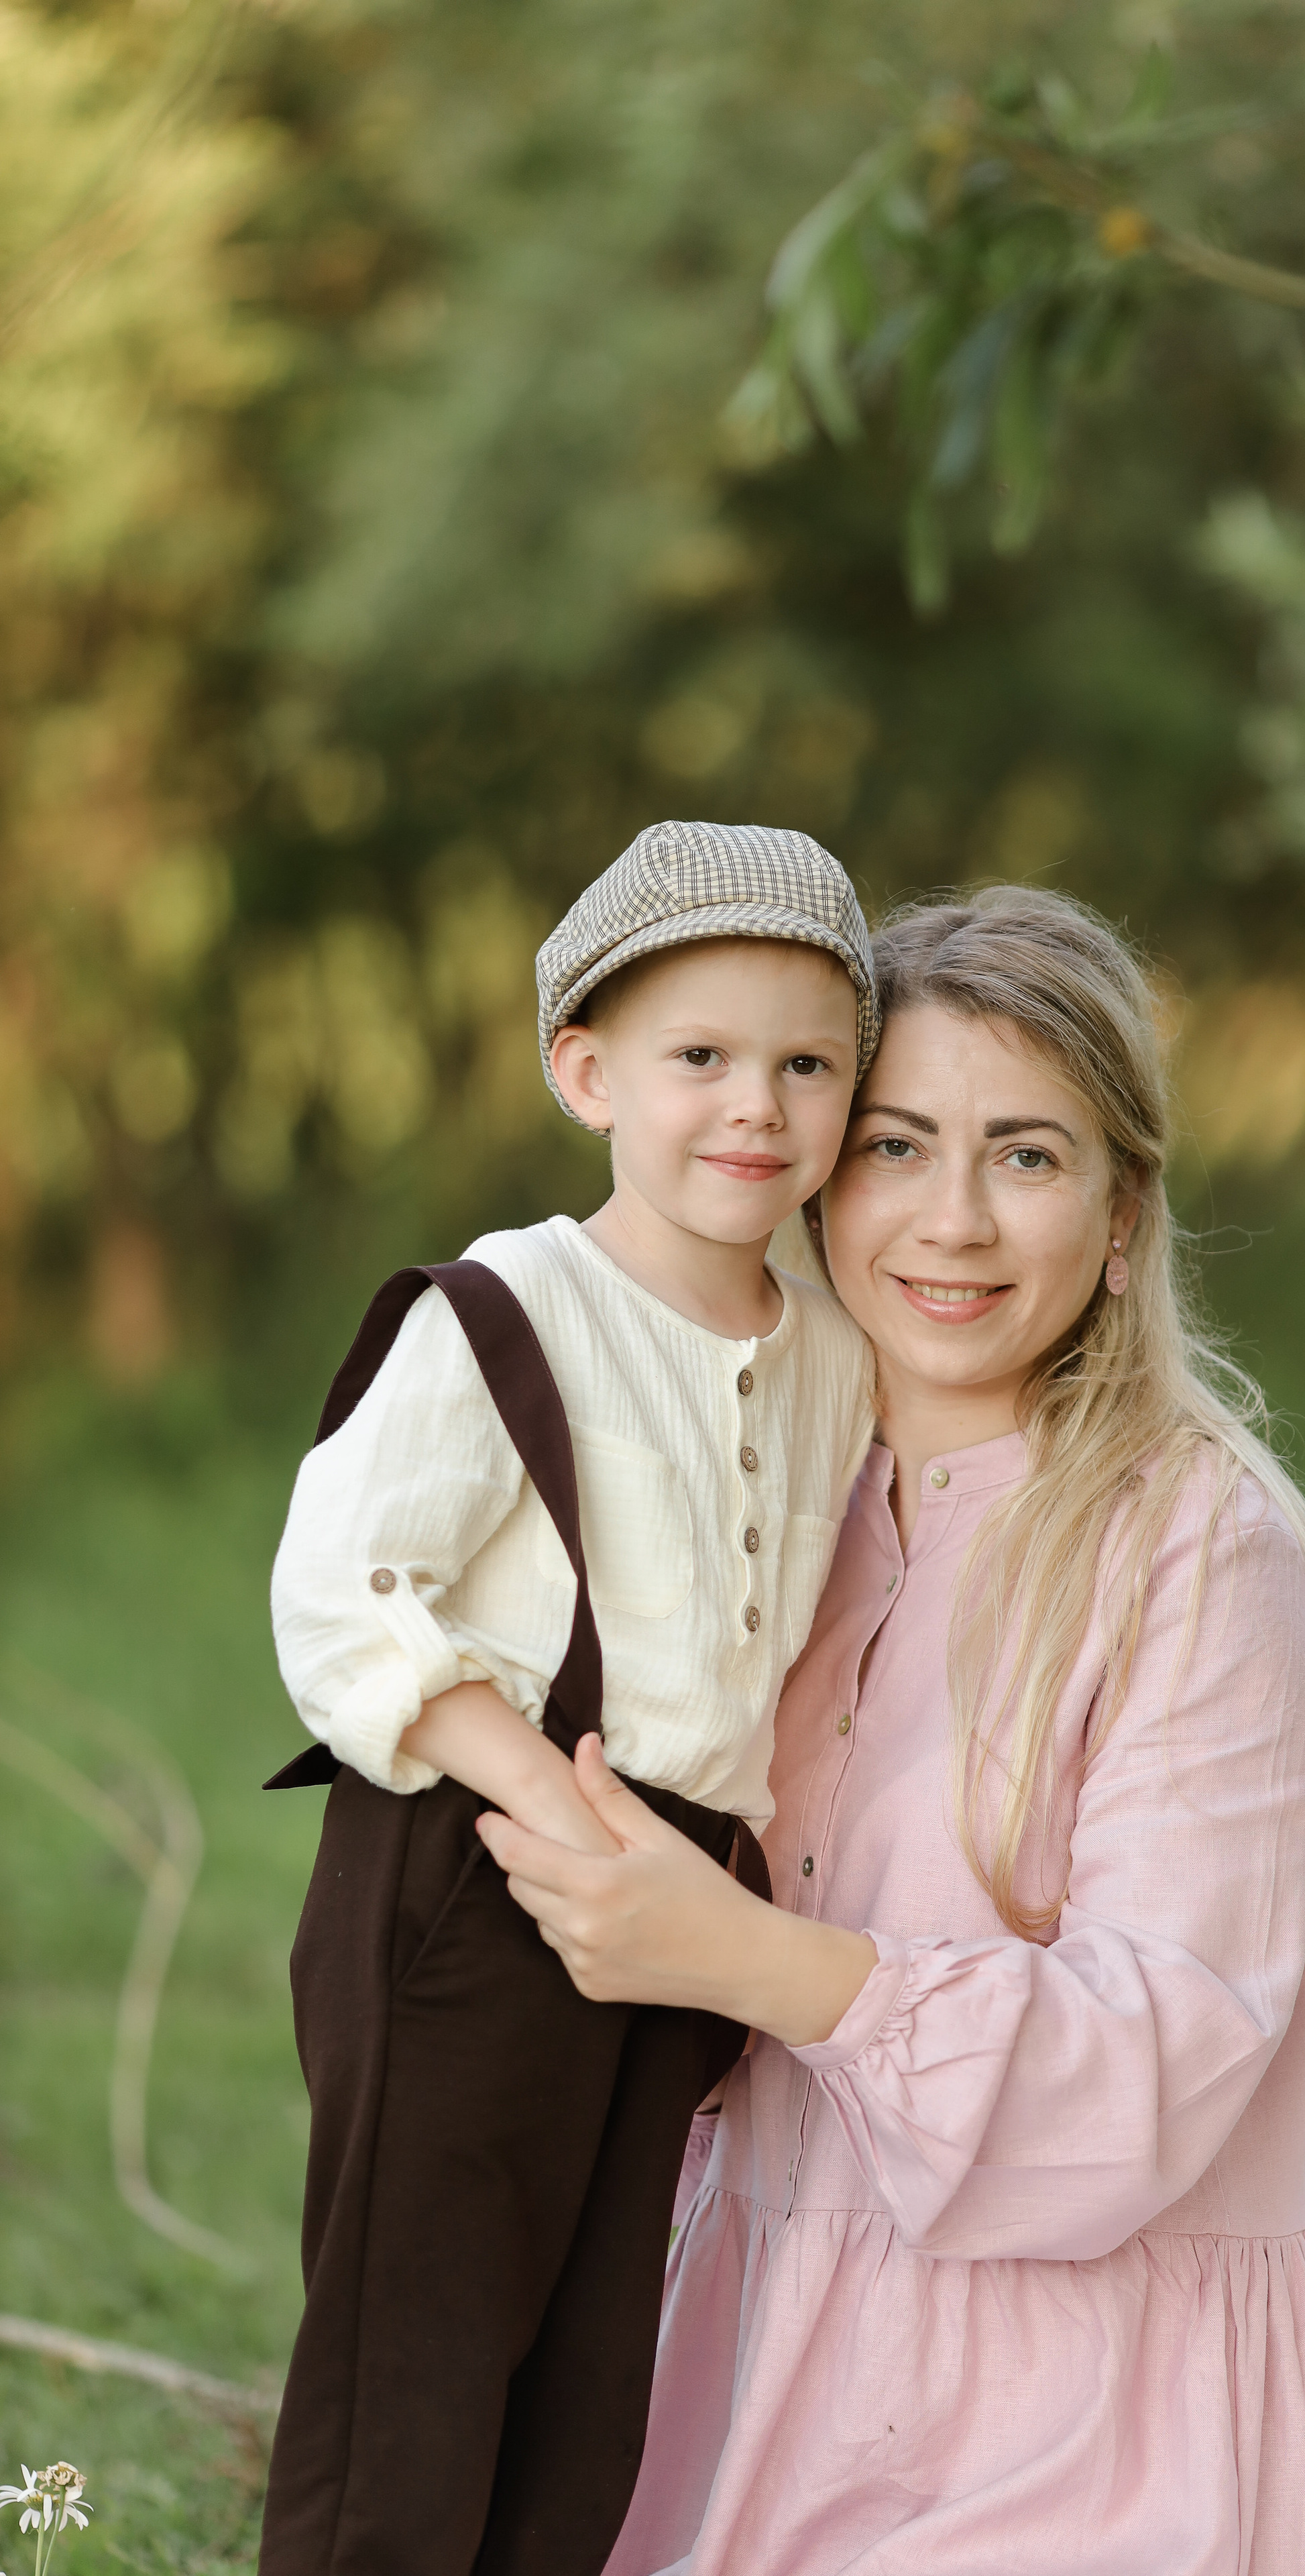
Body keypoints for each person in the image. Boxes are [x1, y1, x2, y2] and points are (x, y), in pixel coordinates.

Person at [479, 883, 1305, 2575]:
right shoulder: (763, 1506)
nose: (953, 1223)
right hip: (754, 2369)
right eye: (896, 1146)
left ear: (1121, 1208)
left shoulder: (1201, 1553)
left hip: (1100, 2406)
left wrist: (743, 1953)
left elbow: (1154, 2066)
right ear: (813, 1174)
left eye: (1025, 1155)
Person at [258, 821, 881, 2576]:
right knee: (421, 2347)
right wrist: (541, 1799)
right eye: (700, 1058)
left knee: (598, 2358)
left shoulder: (833, 1357)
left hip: (682, 1900)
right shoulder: (509, 1306)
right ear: (586, 1071)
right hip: (476, 1854)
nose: (756, 1105)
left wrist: (697, 1883)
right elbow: (342, 1587)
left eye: (808, 1064)